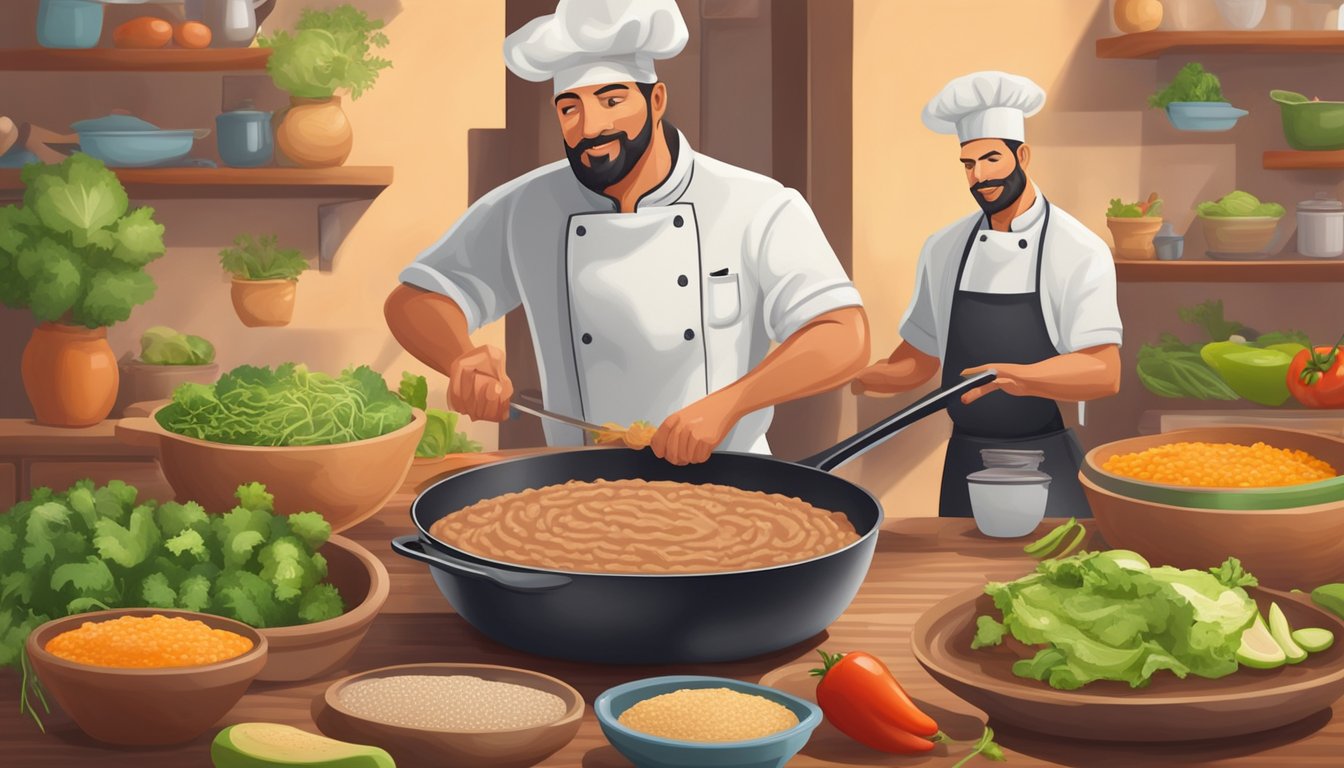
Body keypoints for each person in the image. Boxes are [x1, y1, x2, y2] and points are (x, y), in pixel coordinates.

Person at [385, 0, 868, 466]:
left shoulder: (758, 204)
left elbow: (844, 334)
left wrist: (731, 403)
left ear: (656, 100)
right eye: (569, 108)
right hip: (578, 484)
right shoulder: (526, 207)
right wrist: (461, 357)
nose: (591, 127)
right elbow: (415, 299)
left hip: (730, 481)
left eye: (612, 100)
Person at [852, 71, 1122, 518]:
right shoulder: (944, 247)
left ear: (1024, 155)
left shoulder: (1077, 247)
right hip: (965, 458)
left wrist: (1020, 377)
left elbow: (1103, 370)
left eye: (991, 159)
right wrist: (857, 378)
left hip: (1042, 458)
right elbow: (919, 360)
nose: (979, 176)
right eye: (968, 164)